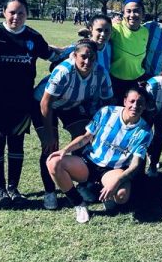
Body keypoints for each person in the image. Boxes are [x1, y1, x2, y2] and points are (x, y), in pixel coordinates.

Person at [0, 0, 60, 207]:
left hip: (21, 102)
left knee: (17, 145)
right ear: (4, 12)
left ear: (27, 15)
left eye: (21, 13)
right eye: (12, 12)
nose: (16, 17)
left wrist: (73, 51)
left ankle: (13, 188)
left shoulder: (33, 37)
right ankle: (0, 190)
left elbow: (51, 55)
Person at [46, 86, 152, 223]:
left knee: (121, 195)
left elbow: (135, 165)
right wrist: (65, 150)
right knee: (54, 162)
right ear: (125, 101)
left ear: (145, 106)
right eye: (132, 101)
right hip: (89, 162)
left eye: (140, 103)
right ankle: (79, 204)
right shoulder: (106, 112)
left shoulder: (145, 131)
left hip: (113, 169)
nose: (135, 106)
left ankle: (102, 190)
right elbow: (86, 137)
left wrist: (118, 181)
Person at [32, 39, 111, 210]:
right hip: (44, 104)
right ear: (74, 56)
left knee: (84, 138)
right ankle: (49, 192)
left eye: (92, 57)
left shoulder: (100, 72)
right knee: (51, 145)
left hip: (71, 104)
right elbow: (46, 103)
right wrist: (49, 134)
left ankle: (84, 185)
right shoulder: (64, 71)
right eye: (83, 57)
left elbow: (107, 101)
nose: (87, 61)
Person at [110, 0, 148, 100]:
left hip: (138, 80)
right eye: (128, 11)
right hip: (116, 81)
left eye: (136, 11)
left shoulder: (145, 32)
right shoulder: (115, 28)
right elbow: (96, 36)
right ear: (123, 14)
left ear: (143, 14)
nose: (132, 15)